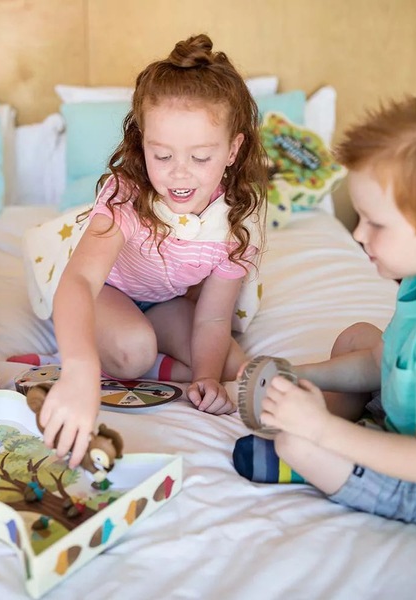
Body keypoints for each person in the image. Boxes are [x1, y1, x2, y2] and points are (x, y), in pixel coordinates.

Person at [32, 33, 267, 467]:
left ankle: (174, 367)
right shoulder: (127, 196)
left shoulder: (236, 222)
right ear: (143, 144)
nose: (179, 174)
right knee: (133, 350)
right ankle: (142, 357)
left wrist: (205, 379)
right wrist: (80, 369)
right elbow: (79, 280)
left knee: (231, 365)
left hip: (163, 301)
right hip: (108, 291)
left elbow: (214, 317)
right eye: (162, 155)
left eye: (200, 157)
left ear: (233, 150)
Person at [232, 96, 416, 524]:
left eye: (375, 223)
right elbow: (378, 361)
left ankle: (305, 457)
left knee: (295, 444)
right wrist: (296, 373)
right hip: (403, 417)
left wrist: (322, 431)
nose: (358, 233)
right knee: (359, 336)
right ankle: (327, 427)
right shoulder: (413, 281)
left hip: (412, 473)